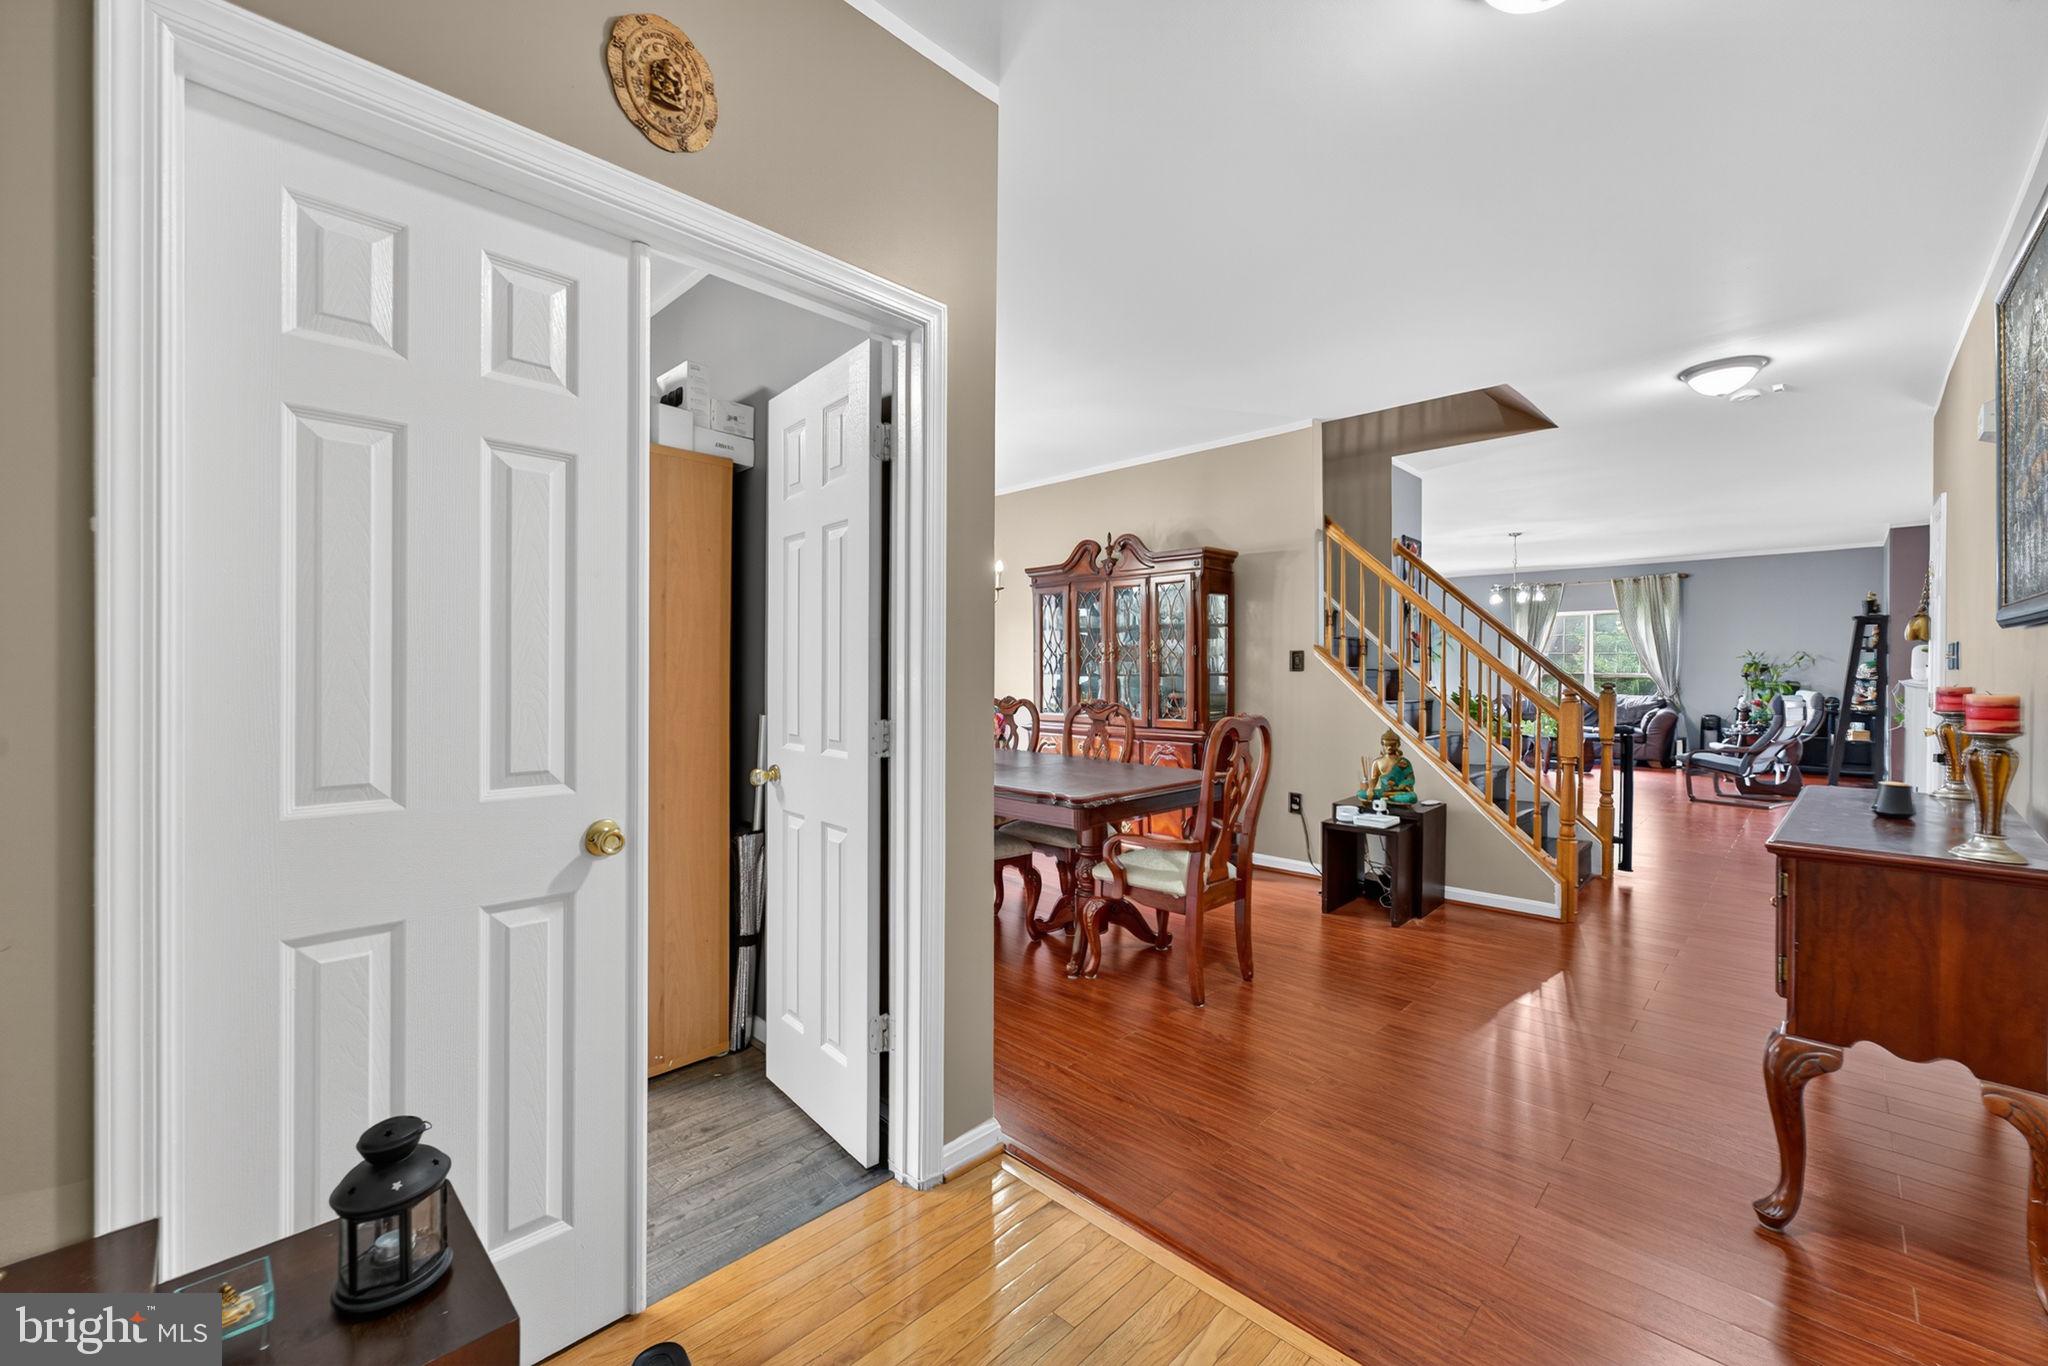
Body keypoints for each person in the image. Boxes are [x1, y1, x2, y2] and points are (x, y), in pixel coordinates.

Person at [1358, 729, 1418, 806]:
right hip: (1383, 791)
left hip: (1399, 792)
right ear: (1382, 745)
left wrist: (1401, 785)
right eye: (1386, 745)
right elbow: (1374, 779)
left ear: (1398, 745)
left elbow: (1411, 779)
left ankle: (1389, 799)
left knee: (1412, 797)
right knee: (1360, 794)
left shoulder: (1404, 762)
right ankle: (1390, 799)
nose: (1389, 747)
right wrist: (1370, 788)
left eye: (1392, 745)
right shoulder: (1377, 762)